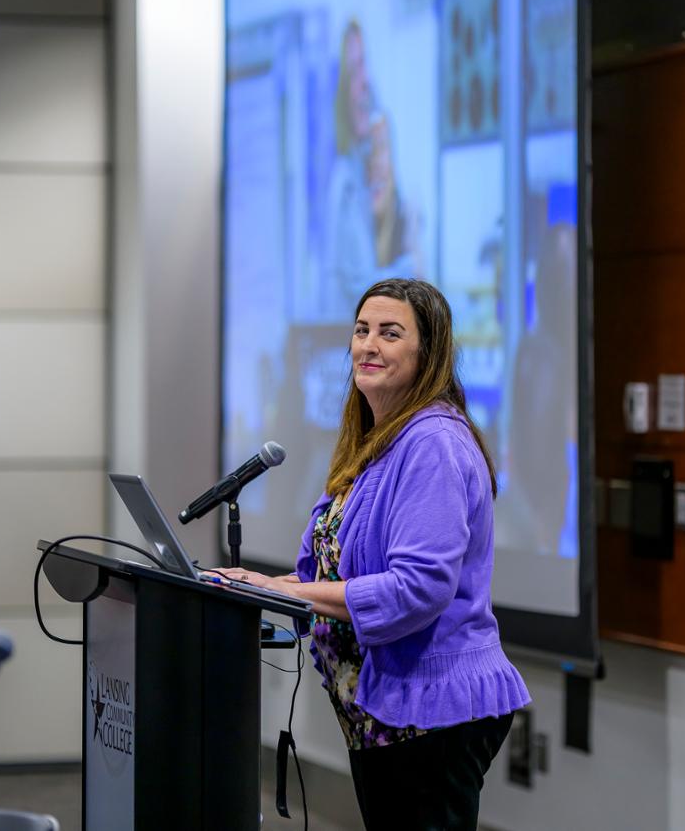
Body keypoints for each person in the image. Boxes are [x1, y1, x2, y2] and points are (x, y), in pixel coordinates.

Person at [217, 278, 530, 830]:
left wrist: (287, 591)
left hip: (433, 713)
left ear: (427, 352)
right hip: (384, 714)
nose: (369, 345)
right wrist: (264, 584)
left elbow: (417, 589)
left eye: (390, 333)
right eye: (362, 331)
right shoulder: (378, 439)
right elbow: (345, 571)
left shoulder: (432, 442)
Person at [325, 23, 421, 314]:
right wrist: (409, 272)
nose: (364, 82)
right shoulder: (344, 184)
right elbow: (360, 288)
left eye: (365, 64)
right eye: (353, 71)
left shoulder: (396, 192)